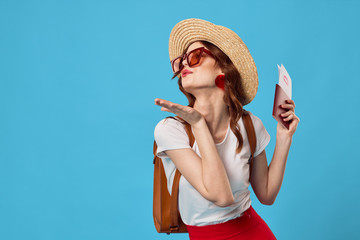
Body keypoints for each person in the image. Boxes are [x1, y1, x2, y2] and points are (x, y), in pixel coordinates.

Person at [153, 18, 299, 240]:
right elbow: (221, 196)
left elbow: (267, 195)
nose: (183, 64)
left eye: (194, 57)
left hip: (253, 231)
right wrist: (199, 125)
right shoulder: (171, 130)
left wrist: (283, 137)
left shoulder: (250, 124)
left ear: (223, 67)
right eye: (180, 61)